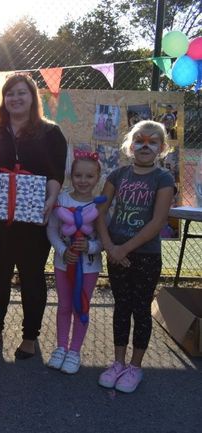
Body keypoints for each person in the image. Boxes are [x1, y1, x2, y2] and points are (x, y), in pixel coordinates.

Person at [0, 73, 67, 359]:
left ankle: (29, 336)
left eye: (21, 93)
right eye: (10, 94)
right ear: (4, 99)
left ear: (33, 97)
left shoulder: (51, 133)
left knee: (31, 276)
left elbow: (55, 172)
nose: (15, 98)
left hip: (33, 218)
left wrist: (50, 198)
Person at [96, 120, 174, 393]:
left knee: (140, 309)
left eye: (152, 141)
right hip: (116, 254)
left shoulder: (163, 179)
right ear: (130, 145)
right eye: (139, 140)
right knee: (121, 307)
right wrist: (109, 245)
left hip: (144, 256)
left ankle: (134, 367)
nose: (145, 146)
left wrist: (124, 249)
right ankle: (117, 363)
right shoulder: (117, 175)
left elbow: (158, 221)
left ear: (161, 148)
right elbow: (101, 212)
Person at [46, 151, 103, 374]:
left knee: (81, 307)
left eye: (89, 176)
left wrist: (90, 247)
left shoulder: (99, 205)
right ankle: (61, 347)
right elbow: (51, 230)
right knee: (64, 306)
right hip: (63, 265)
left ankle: (74, 351)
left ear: (97, 177)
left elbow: (102, 239)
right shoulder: (61, 200)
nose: (83, 181)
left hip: (89, 267)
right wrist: (62, 251)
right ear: (71, 176)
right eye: (78, 175)